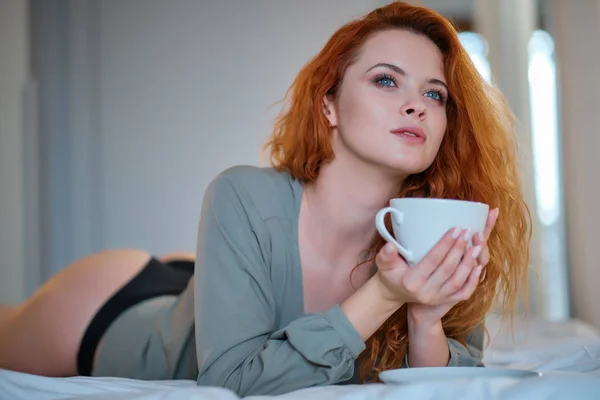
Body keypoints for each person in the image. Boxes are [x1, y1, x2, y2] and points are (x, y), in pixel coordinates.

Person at [0, 1, 531, 397]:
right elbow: (230, 382)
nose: (415, 104)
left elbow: (447, 385)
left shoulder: (443, 222)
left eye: (433, 93)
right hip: (117, 306)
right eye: (386, 81)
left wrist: (424, 319)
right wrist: (386, 295)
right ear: (330, 107)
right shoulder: (241, 193)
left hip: (211, 284)